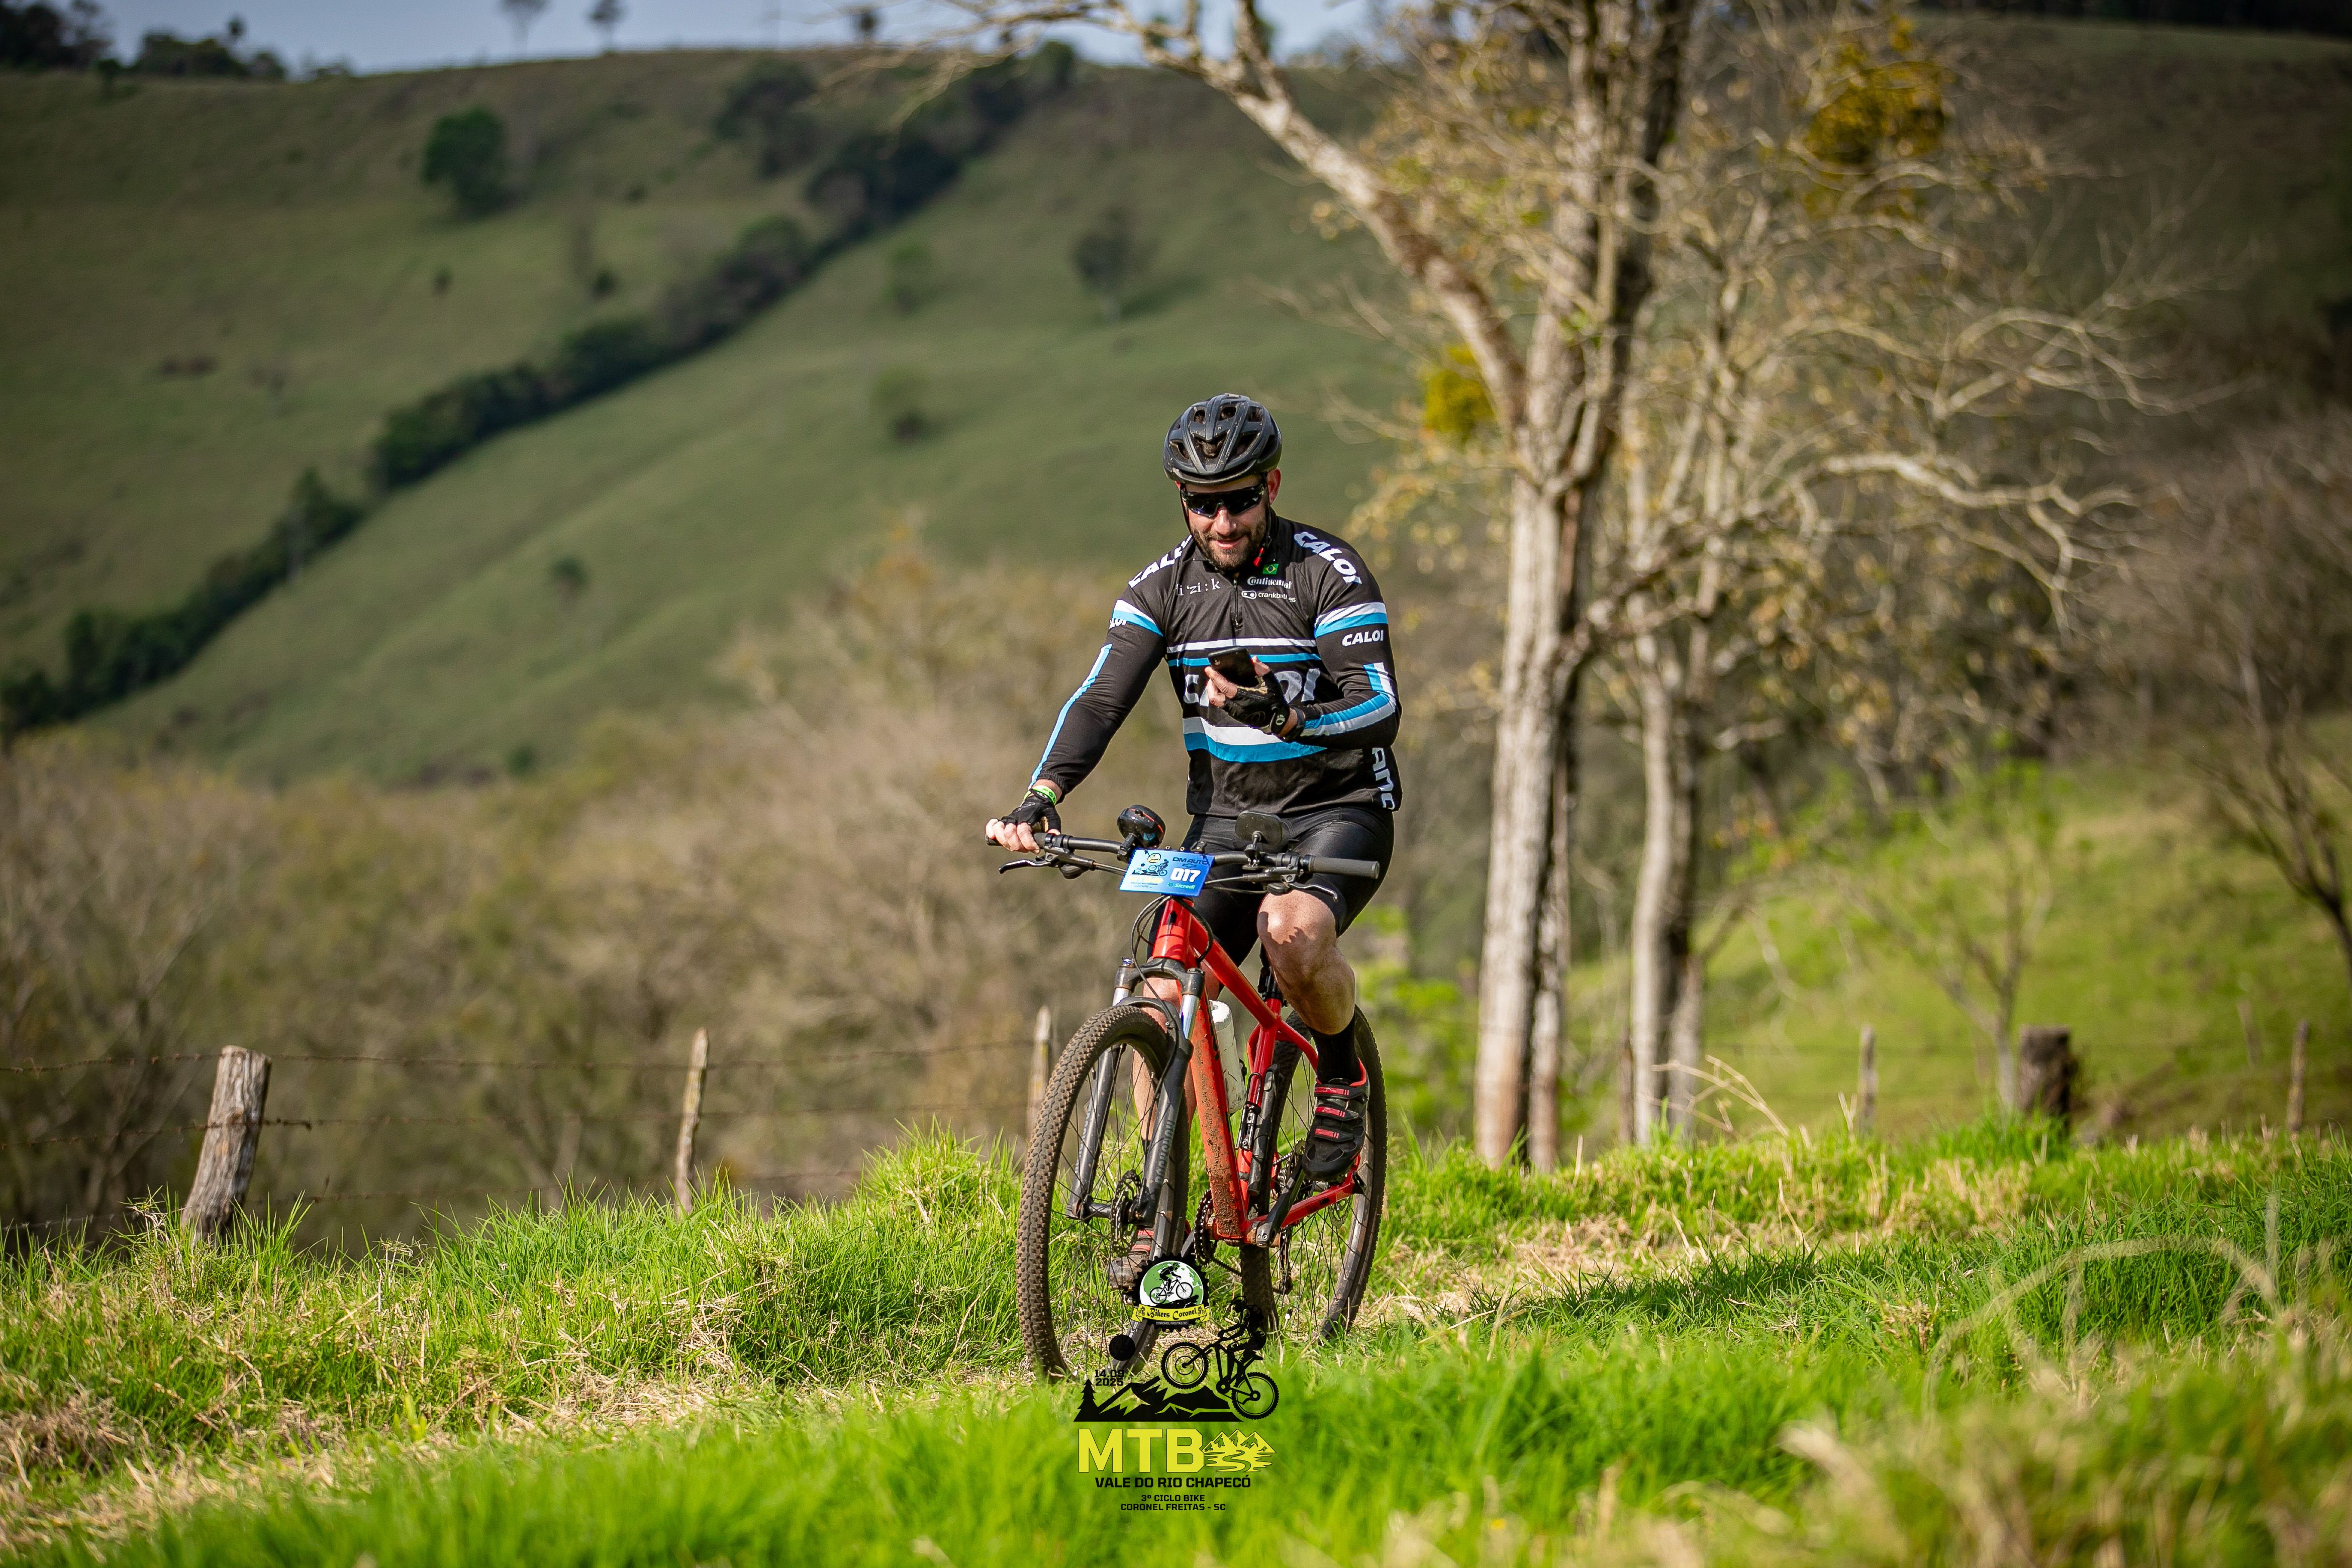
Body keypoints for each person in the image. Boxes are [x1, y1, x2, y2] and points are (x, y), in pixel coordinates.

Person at [985, 392, 1402, 1236]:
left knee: (1292, 938)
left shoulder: (1328, 571)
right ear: (1182, 499)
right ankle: (1166, 1204)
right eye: (1203, 504)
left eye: (1238, 500)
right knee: (1159, 988)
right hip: (1226, 823)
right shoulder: (1161, 588)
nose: (1222, 521)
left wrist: (1287, 715)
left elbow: (1380, 705)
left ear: (1270, 487)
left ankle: (1341, 1074)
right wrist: (1042, 795)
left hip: (1336, 809)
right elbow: (1100, 700)